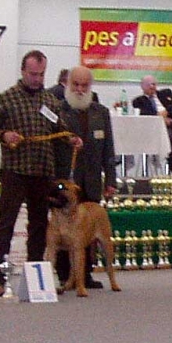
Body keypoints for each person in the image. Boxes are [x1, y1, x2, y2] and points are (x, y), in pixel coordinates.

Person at [0, 50, 82, 298]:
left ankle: (35, 276)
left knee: (39, 225)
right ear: (23, 71)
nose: (37, 78)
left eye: (42, 74)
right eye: (33, 74)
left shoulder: (50, 101)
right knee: (6, 223)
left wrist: (71, 139)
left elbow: (60, 128)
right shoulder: (6, 99)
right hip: (15, 170)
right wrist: (3, 135)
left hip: (42, 172)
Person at [53, 65, 118, 289]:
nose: (80, 89)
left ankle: (85, 275)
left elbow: (108, 149)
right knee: (64, 228)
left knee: (88, 231)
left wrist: (110, 180)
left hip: (91, 180)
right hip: (66, 181)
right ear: (68, 85)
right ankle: (64, 276)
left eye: (84, 85)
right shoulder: (58, 110)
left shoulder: (101, 112)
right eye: (76, 85)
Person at [132, 75, 172, 175]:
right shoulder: (138, 101)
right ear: (142, 87)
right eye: (148, 85)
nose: (152, 87)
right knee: (168, 136)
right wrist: (161, 118)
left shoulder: (166, 93)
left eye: (153, 84)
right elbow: (145, 114)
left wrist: (165, 112)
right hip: (160, 129)